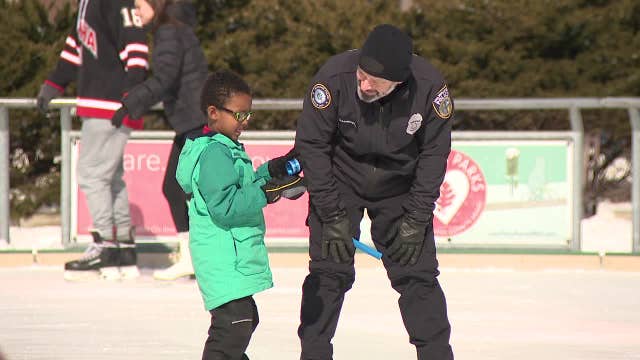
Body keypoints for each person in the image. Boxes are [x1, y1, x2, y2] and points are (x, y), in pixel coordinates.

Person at [294, 24, 455, 360]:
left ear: (398, 81)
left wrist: (416, 218)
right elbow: (312, 145)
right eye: (362, 74)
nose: (363, 84)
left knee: (418, 278)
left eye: (374, 81)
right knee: (327, 272)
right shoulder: (334, 78)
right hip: (340, 181)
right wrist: (331, 212)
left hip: (400, 185)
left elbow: (434, 155)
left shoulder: (429, 90)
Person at [176, 70, 306, 360]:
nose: (245, 122)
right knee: (235, 325)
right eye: (239, 115)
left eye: (249, 115)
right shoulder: (213, 154)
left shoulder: (225, 149)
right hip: (222, 257)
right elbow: (225, 205)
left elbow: (241, 187)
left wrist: (272, 172)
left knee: (243, 320)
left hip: (228, 256)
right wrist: (269, 192)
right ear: (213, 113)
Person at [37, 0, 149, 280]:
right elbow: (75, 48)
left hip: (110, 104)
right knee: (111, 177)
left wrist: (131, 98)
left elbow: (136, 50)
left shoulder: (117, 2)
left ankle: (105, 247)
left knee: (91, 174)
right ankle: (123, 248)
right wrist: (53, 83)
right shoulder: (87, 4)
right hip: (100, 103)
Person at [111, 0, 208, 280]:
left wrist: (131, 104)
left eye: (140, 6)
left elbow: (165, 78)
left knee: (182, 189)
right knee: (180, 188)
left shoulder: (168, 32)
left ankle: (197, 257)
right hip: (193, 121)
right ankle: (195, 257)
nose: (136, 11)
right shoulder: (175, 29)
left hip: (195, 122)